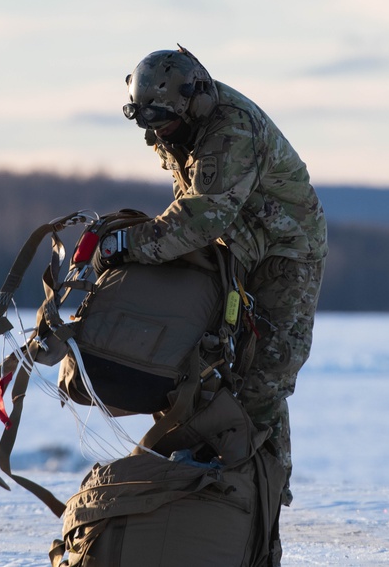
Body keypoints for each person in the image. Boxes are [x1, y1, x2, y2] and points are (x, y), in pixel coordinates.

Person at [94, 45, 328, 517]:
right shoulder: (177, 123)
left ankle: (251, 501)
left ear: (193, 100)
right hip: (235, 254)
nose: (158, 133)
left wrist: (127, 246)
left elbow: (200, 218)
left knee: (268, 374)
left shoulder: (230, 129)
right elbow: (192, 208)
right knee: (220, 372)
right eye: (149, 123)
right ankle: (223, 498)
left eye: (165, 122)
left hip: (286, 254)